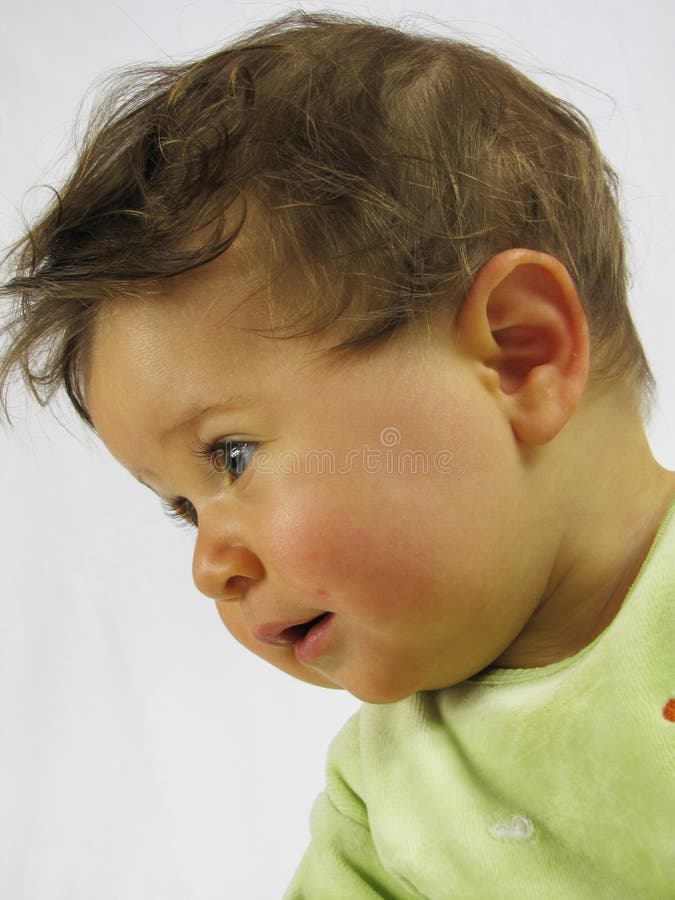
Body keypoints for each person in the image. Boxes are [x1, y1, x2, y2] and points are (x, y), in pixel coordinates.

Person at [1, 11, 673, 897]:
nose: (208, 567)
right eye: (182, 509)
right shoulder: (380, 793)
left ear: (519, 353)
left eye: (231, 456)